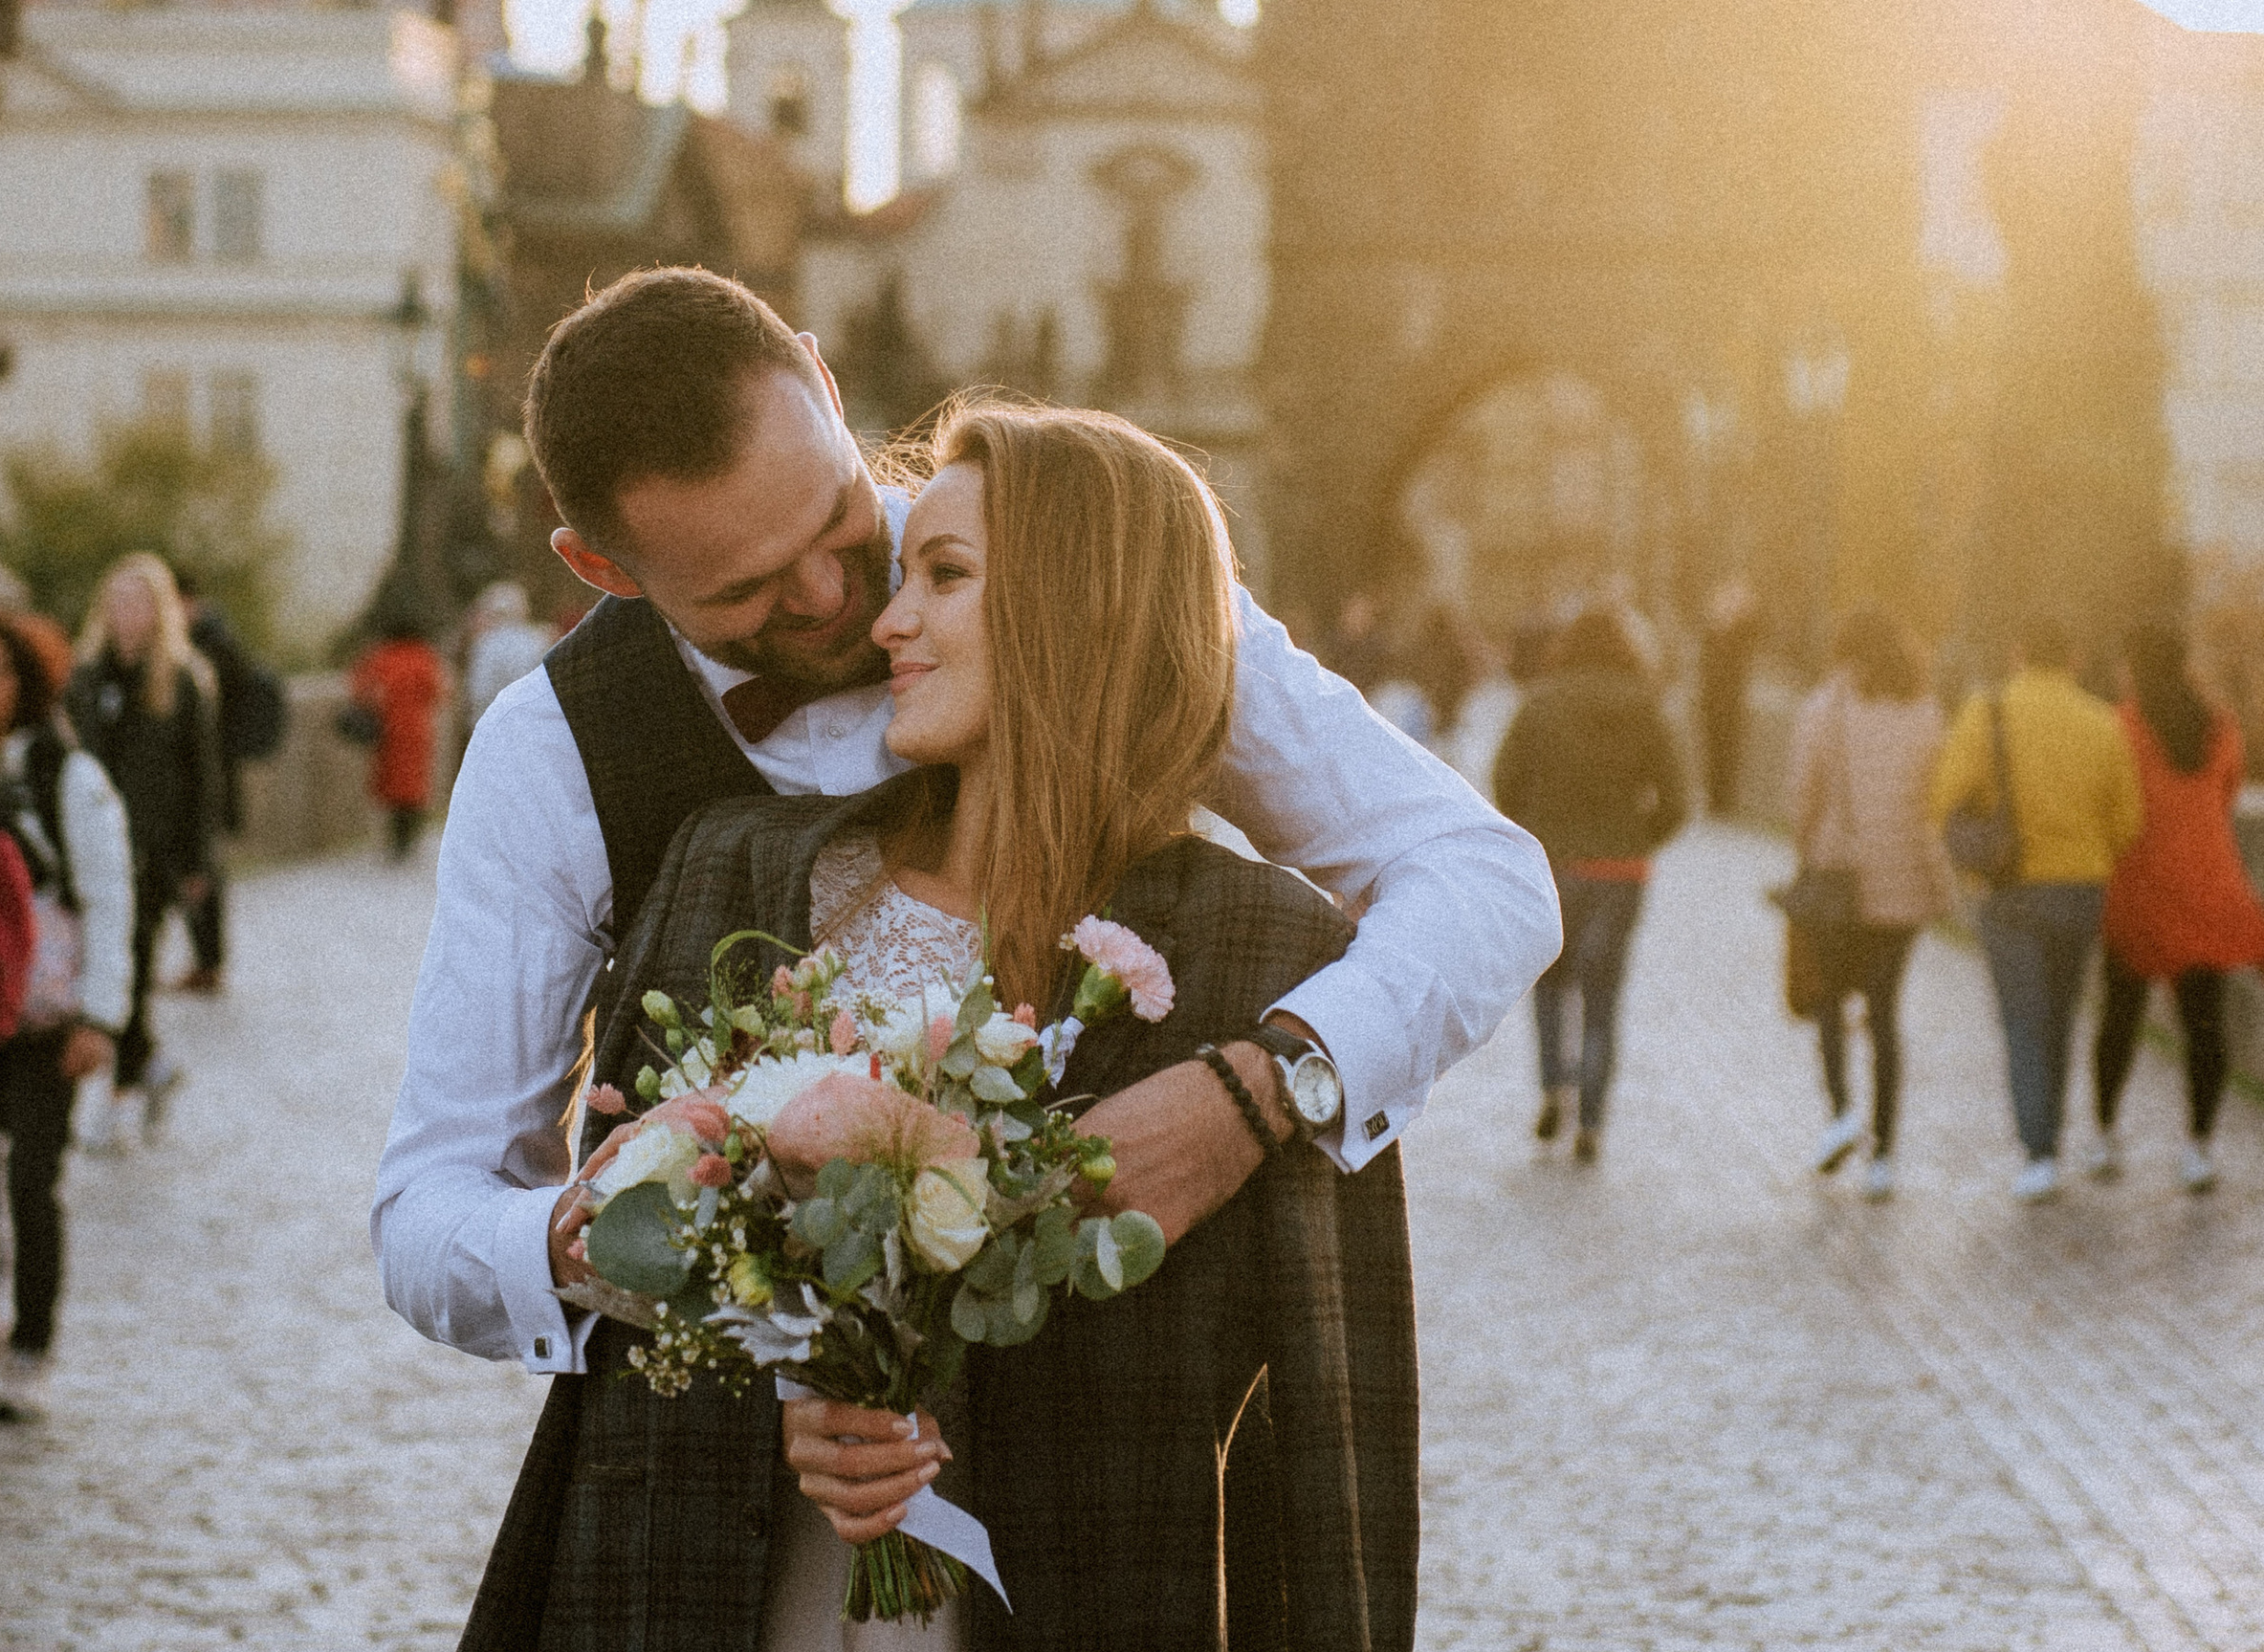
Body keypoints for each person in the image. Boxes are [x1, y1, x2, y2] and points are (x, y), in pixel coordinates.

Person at [392, 402, 1419, 1652]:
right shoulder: (740, 867)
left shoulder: (1268, 959)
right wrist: (787, 1385)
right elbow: (637, 1258)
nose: (882, 617)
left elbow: (1317, 1450)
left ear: (1082, 607)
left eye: (940, 571)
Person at [374, 266, 1557, 1400]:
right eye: (746, 592)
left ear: (828, 391)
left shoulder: (1082, 582)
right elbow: (433, 1207)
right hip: (717, 1480)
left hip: (1095, 1432)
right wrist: (634, 1224)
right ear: (601, 569)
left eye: (839, 520)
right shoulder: (552, 752)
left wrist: (1263, 1085)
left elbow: (1482, 877)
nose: (836, 600)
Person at [0, 610, 134, 1418]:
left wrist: (102, 1018)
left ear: (27, 684)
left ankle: (29, 1347)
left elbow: (109, 893)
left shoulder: (64, 774)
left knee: (30, 1184)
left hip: (45, 1014)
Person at [1933, 611, 2143, 1200]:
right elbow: (2128, 819)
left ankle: (2040, 1149)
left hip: (2010, 888)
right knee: (2061, 1014)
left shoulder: (1988, 710)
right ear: (2075, 658)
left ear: (2018, 652)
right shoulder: (2102, 722)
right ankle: (2050, 1134)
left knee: (2023, 1017)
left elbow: (1946, 794)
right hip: (2081, 890)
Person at [1493, 606, 1689, 1160]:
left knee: (1551, 981)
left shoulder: (1543, 700)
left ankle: (1554, 1086)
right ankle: (1593, 1124)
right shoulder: (1647, 707)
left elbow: (1506, 777)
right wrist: (1636, 836)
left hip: (1555, 866)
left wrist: (1539, 830)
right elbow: (1677, 800)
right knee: (1604, 996)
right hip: (1621, 872)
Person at [2088, 622, 2264, 1190]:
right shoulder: (2220, 727)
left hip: (2140, 885)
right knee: (2205, 1026)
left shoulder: (2120, 727)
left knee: (2120, 1017)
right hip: (2210, 886)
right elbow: (2229, 792)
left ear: (2134, 667)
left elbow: (2108, 804)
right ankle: (2198, 1149)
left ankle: (2106, 1136)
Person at [1782, 606, 1949, 1198]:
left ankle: (1842, 1113)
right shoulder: (1927, 710)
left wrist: (1804, 850)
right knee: (1885, 1018)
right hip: (1902, 882)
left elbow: (1803, 792)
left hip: (1837, 874)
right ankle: (1884, 1157)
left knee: (1827, 998)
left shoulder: (1827, 708)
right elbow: (1938, 797)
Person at [67, 554, 222, 1150]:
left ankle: (120, 1094)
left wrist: (197, 865)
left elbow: (201, 779)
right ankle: (150, 1066)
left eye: (137, 603)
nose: (125, 615)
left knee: (130, 971)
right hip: (93, 846)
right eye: (116, 602)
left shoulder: (182, 681)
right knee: (100, 969)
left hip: (153, 855)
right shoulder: (86, 680)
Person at [171, 572, 287, 987]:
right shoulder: (212, 640)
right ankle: (207, 959)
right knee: (197, 866)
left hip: (210, 772)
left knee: (202, 867)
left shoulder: (212, 646)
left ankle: (208, 962)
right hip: (207, 769)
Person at [347, 606, 452, 863]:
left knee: (391, 785)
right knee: (415, 785)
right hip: (418, 728)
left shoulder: (380, 656)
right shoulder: (424, 657)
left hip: (388, 729)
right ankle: (409, 838)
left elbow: (359, 688)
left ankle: (394, 840)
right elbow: (439, 692)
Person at [1698, 579, 1761, 818]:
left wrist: (1745, 609)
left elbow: (1755, 632)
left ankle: (1726, 798)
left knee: (1730, 746)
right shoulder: (1712, 636)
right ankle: (1715, 797)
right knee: (1713, 746)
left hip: (1731, 700)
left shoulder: (1740, 635)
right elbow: (1705, 669)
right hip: (1713, 699)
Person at [460, 582, 553, 736]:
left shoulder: (485, 644)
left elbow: (479, 690)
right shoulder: (539, 639)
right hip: (532, 724)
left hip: (493, 724)